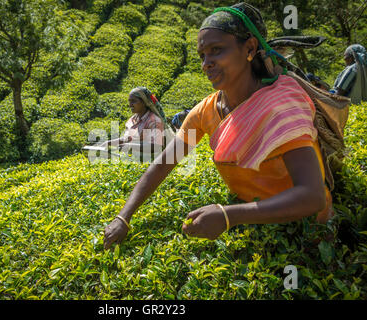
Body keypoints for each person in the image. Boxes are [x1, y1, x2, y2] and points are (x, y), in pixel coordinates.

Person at [103, 3, 333, 249]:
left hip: (305, 231)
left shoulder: (281, 105)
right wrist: (123, 216)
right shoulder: (206, 110)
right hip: (253, 225)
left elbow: (312, 196)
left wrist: (228, 216)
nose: (206, 64)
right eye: (203, 55)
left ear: (250, 48)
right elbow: (164, 163)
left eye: (217, 50)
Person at [99, 87, 174, 161]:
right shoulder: (132, 120)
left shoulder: (154, 121)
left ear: (144, 102)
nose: (130, 104)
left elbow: (157, 146)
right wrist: (108, 143)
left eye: (133, 101)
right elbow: (127, 138)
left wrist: (131, 146)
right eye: (129, 101)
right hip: (131, 160)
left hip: (150, 163)